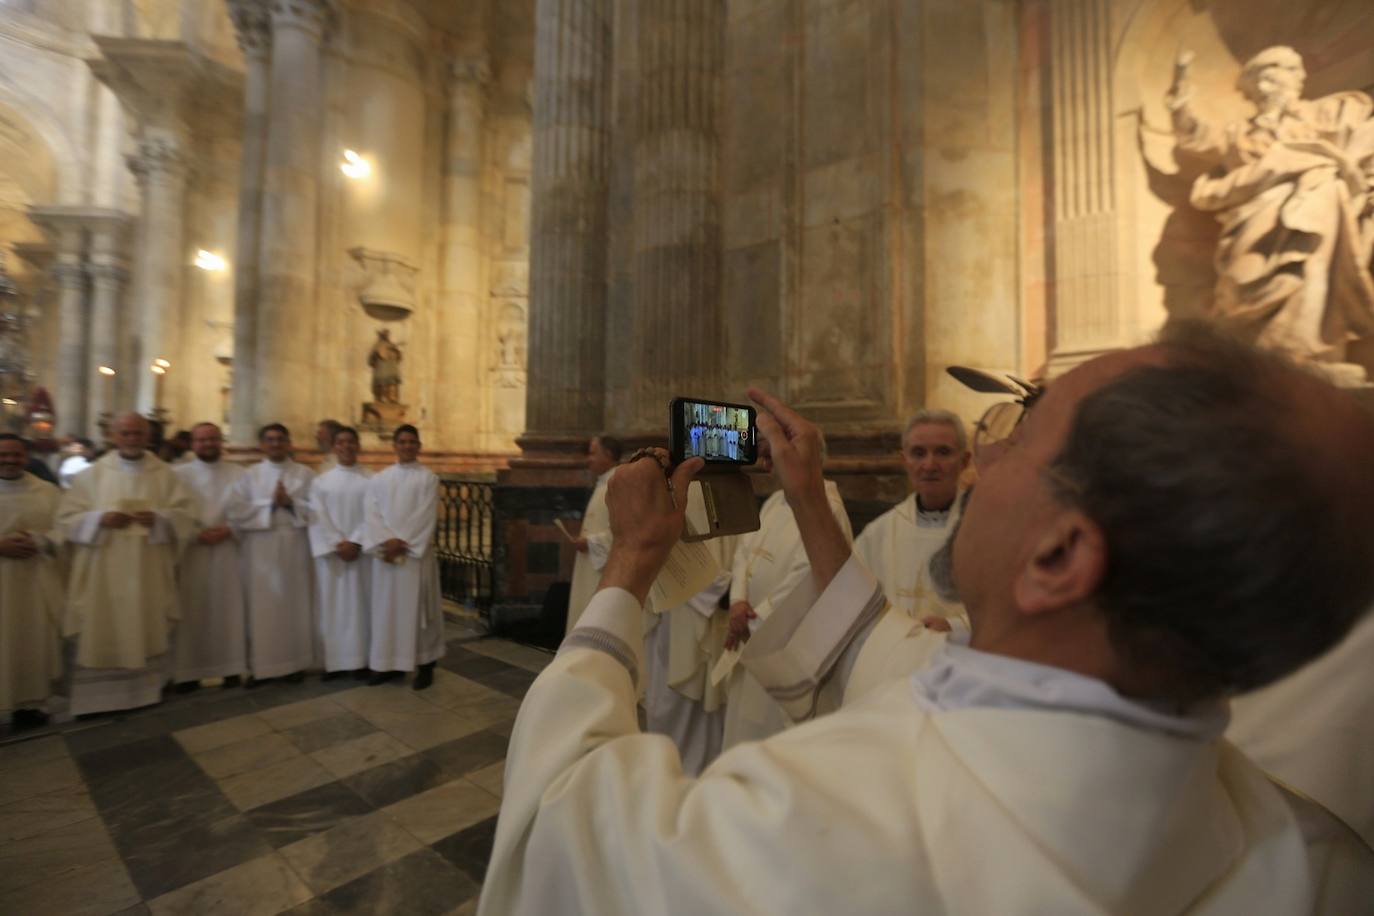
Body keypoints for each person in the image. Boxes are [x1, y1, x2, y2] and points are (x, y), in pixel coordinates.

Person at [479, 323, 1374, 915]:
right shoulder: (1308, 855)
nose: (984, 455)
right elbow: (884, 654)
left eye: (1022, 437)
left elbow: (559, 830)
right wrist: (810, 498)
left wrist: (631, 566)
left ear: (1059, 559)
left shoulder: (804, 839)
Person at [1166, 46, 1374, 371]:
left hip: (1318, 212)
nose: (1300, 78)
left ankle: (1311, 353)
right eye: (1291, 71)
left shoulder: (1321, 115)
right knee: (1240, 280)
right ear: (1264, 82)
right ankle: (1257, 354)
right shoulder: (1238, 133)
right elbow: (1195, 135)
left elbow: (1364, 135)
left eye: (1298, 71)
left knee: (1310, 274)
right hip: (1253, 219)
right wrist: (1180, 89)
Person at [718, 436, 851, 749]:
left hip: (784, 645)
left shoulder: (827, 510)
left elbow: (810, 575)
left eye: (773, 456)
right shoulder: (776, 501)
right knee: (743, 732)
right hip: (749, 632)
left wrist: (755, 618)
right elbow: (744, 552)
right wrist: (738, 601)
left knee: (774, 740)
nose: (768, 466)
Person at [59, 413, 194, 714]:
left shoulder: (165, 474)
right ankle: (97, 701)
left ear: (148, 437)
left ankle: (144, 693)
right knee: (101, 623)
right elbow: (65, 520)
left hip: (148, 566)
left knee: (145, 619)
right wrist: (99, 519)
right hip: (103, 568)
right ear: (113, 436)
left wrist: (159, 519)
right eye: (126, 433)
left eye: (138, 433)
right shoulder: (91, 475)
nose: (132, 439)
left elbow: (186, 517)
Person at [853, 409, 969, 623]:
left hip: (960, 653)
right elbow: (852, 604)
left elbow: (1008, 610)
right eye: (918, 453)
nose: (930, 465)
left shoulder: (986, 530)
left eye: (943, 452)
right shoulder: (878, 534)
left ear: (965, 461)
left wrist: (955, 627)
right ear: (904, 460)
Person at [227, 423, 316, 683]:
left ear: (289, 443)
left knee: (294, 605)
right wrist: (269, 504)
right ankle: (261, 666)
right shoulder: (249, 475)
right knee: (261, 608)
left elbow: (318, 509)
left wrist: (291, 504)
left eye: (280, 439)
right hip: (260, 550)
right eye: (270, 439)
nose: (275, 444)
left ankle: (295, 664)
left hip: (295, 546)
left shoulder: (306, 474)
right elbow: (236, 510)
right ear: (262, 445)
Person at [643, 532, 737, 776]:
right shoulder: (687, 496)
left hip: (710, 619)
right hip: (680, 619)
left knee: (703, 718)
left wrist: (736, 592)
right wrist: (730, 592)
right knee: (675, 701)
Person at [363, 425, 443, 689]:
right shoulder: (379, 479)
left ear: (419, 446)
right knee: (387, 611)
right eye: (403, 441)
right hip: (387, 555)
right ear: (394, 446)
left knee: (421, 610)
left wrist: (402, 542)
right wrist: (387, 540)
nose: (407, 446)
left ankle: (425, 664)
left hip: (414, 556)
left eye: (412, 442)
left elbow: (425, 514)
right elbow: (371, 514)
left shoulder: (428, 478)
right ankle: (389, 664)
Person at [171, 423, 247, 691]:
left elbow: (247, 510)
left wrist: (230, 528)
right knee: (192, 610)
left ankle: (231, 668)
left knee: (228, 609)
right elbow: (172, 512)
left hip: (228, 549)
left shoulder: (239, 473)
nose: (208, 444)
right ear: (193, 443)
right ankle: (188, 672)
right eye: (202, 440)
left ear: (221, 442)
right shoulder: (177, 475)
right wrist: (194, 533)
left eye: (213, 439)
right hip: (192, 551)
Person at [0, 434, 63, 728]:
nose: (10, 460)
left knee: (31, 640)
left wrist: (41, 540)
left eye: (16, 455)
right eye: (4, 454)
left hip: (35, 579)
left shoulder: (47, 491)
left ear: (26, 457)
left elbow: (64, 530)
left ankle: (29, 705)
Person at [309, 426, 372, 678]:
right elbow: (317, 515)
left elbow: (374, 514)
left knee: (362, 607)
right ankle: (335, 662)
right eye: (341, 442)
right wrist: (337, 542)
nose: (346, 447)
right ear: (334, 447)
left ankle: (362, 661)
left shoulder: (372, 479)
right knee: (332, 608)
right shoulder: (321, 481)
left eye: (351, 442)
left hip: (361, 554)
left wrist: (355, 541)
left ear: (358, 446)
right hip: (333, 555)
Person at [564, 435, 621, 633]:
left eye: (593, 453)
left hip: (603, 568)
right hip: (591, 563)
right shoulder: (602, 483)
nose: (589, 458)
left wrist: (591, 542)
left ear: (609, 454)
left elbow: (623, 530)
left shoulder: (618, 484)